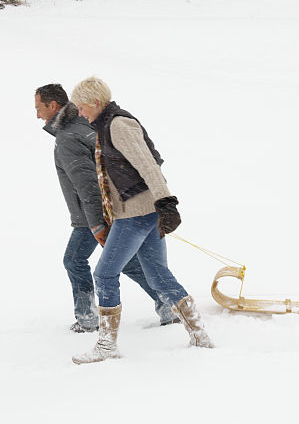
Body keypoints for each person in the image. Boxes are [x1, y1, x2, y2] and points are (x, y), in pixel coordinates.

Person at [69, 76, 213, 364]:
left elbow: (148, 165)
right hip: (137, 212)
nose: (80, 113)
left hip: (136, 213)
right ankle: (199, 333)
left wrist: (166, 202)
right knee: (158, 274)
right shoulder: (105, 125)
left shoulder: (119, 125)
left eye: (82, 108)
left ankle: (107, 346)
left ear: (95, 103)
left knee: (104, 274)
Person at [35, 84, 178, 333]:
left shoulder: (68, 137)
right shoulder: (84, 124)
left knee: (75, 260)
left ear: (53, 106)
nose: (36, 115)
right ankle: (167, 304)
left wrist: (96, 222)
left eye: (38, 108)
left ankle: (89, 319)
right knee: (128, 261)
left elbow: (87, 182)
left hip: (92, 214)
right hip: (112, 209)